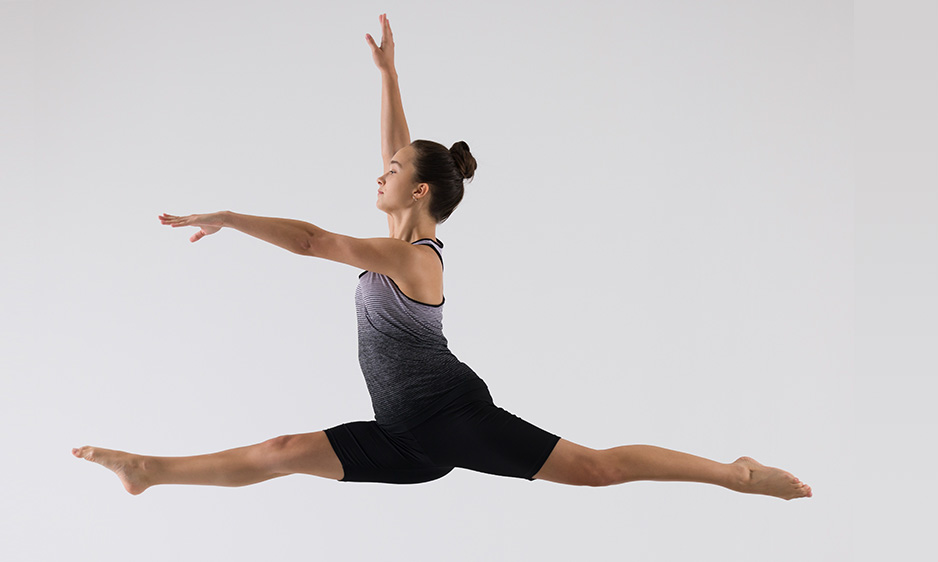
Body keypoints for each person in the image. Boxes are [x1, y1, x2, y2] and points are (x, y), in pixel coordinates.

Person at [72, 13, 812, 501]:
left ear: (418, 191)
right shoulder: (396, 242)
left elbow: (313, 242)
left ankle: (733, 473)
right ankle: (149, 471)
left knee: (599, 470)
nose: (377, 174)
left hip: (452, 416)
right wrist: (389, 80)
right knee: (282, 450)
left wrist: (230, 215)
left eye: (389, 172)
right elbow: (397, 156)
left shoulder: (417, 261)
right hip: (402, 434)